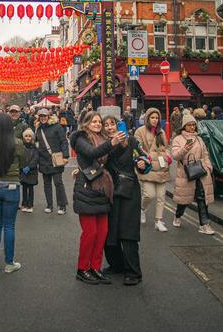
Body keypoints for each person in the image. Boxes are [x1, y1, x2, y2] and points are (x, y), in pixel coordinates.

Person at [69, 111, 127, 284]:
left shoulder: (103, 138)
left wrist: (122, 144)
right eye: (93, 121)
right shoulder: (81, 138)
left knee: (102, 233)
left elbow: (109, 158)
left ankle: (95, 267)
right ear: (86, 123)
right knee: (90, 233)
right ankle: (82, 269)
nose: (97, 124)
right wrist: (112, 142)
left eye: (98, 122)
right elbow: (93, 153)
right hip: (87, 189)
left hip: (102, 189)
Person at [102, 115, 151, 286]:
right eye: (106, 125)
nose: (109, 127)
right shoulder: (103, 143)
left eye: (112, 124)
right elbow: (94, 160)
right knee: (110, 231)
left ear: (118, 125)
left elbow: (144, 158)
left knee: (128, 232)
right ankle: (116, 265)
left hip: (129, 189)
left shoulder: (130, 141)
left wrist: (143, 164)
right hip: (109, 191)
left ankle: (133, 272)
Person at [0, 114, 27, 273]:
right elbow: (24, 162)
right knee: (9, 226)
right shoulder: (18, 143)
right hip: (11, 186)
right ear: (11, 127)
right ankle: (9, 263)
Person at [171, 111, 215, 234]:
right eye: (189, 125)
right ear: (184, 126)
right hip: (186, 172)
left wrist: (208, 166)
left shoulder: (199, 139)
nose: (192, 127)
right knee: (184, 200)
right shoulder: (178, 139)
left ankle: (204, 224)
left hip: (201, 171)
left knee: (202, 197)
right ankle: (178, 215)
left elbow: (205, 154)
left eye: (193, 125)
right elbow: (175, 155)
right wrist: (185, 149)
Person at [135, 107, 173, 232]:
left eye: (157, 118)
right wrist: (148, 157)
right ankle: (142, 209)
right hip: (148, 168)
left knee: (161, 197)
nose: (155, 120)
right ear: (147, 118)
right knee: (149, 195)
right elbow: (137, 148)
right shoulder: (140, 131)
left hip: (162, 168)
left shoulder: (161, 132)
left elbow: (166, 147)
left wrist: (168, 156)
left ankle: (158, 221)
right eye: (152, 117)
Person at [35, 107, 70, 214]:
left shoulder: (57, 127)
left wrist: (66, 156)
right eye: (41, 116)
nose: (43, 118)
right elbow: (36, 142)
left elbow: (63, 141)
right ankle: (49, 205)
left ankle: (62, 205)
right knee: (46, 184)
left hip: (56, 158)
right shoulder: (38, 128)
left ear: (48, 116)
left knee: (58, 182)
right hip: (43, 159)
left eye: (44, 116)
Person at [19, 128, 39, 212]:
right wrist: (22, 167)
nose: (28, 138)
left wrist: (29, 167)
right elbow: (20, 158)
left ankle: (30, 205)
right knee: (24, 188)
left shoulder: (35, 147)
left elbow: (36, 158)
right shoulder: (21, 147)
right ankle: (24, 204)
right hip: (23, 170)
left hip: (32, 171)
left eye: (29, 136)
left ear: (32, 137)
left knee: (30, 189)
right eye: (26, 136)